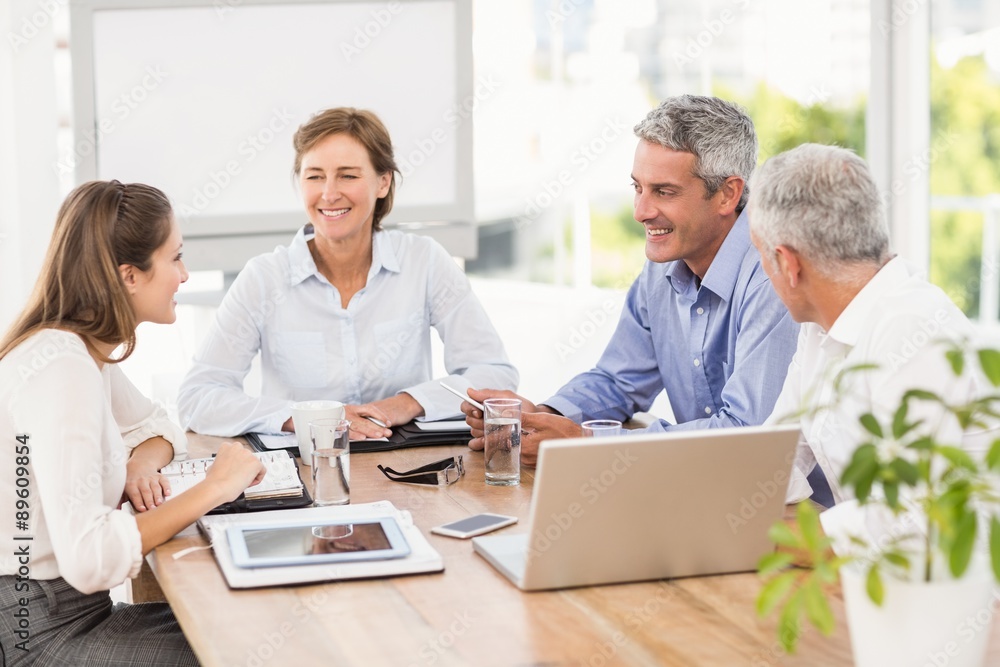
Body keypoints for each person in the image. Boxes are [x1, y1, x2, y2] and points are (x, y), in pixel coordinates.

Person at [0, 181, 266, 666]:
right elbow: (89, 556)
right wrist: (213, 488)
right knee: (251, 648)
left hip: (66, 615)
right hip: (36, 635)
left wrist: (140, 465)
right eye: (175, 258)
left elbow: (156, 425)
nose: (184, 275)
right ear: (129, 275)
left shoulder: (79, 350)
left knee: (257, 619)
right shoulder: (61, 367)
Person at [462, 95, 799, 466]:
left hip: (794, 510)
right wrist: (543, 418)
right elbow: (618, 382)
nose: (641, 212)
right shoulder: (663, 267)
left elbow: (746, 434)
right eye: (638, 187)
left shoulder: (773, 275)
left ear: (727, 194)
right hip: (702, 486)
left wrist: (586, 442)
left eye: (664, 192)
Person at [177, 107, 517, 440]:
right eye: (314, 176)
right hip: (306, 470)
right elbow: (198, 397)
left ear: (383, 182)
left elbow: (495, 375)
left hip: (407, 469)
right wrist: (305, 417)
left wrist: (408, 402)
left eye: (348, 175)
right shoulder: (264, 279)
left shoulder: (423, 262)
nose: (328, 193)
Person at [749, 144, 978, 505]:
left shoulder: (914, 330)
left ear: (788, 265)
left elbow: (905, 523)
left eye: (760, 253)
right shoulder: (819, 325)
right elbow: (775, 457)